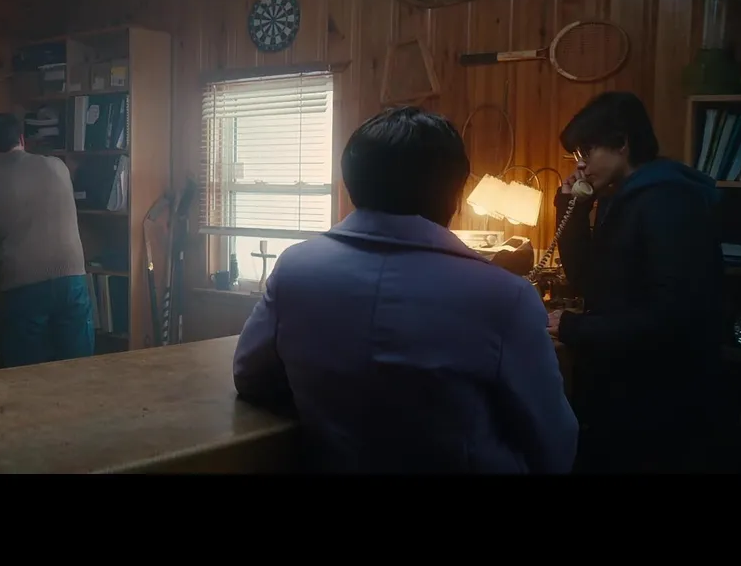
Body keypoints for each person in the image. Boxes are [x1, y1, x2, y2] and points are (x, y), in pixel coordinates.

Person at [233, 106, 577, 473]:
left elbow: (250, 377)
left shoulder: (295, 268)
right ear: (456, 192)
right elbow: (553, 444)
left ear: (351, 183)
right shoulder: (506, 296)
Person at [547, 91, 725, 473]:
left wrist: (576, 328)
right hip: (627, 386)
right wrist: (573, 206)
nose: (581, 165)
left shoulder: (669, 202)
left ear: (622, 143)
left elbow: (671, 316)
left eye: (587, 151)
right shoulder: (620, 197)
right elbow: (587, 280)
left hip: (663, 400)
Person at [0, 113, 94, 367]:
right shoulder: (57, 167)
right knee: (79, 367)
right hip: (72, 277)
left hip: (23, 284)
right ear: (22, 139)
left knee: (27, 373)